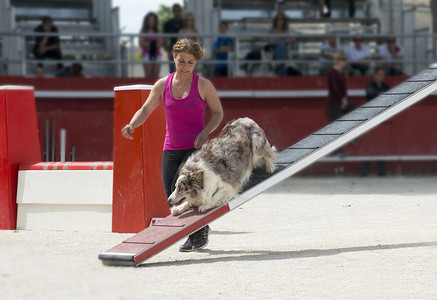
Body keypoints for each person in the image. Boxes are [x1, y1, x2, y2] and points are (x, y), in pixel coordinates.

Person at [121, 39, 224, 252]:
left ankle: (196, 233)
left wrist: (206, 132)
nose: (185, 66)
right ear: (173, 58)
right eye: (181, 61)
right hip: (171, 147)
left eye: (190, 62)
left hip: (195, 149)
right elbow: (146, 110)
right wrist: (132, 124)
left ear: (195, 63)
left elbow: (218, 113)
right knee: (172, 195)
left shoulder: (203, 85)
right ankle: (196, 232)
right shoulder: (162, 84)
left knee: (186, 188)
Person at [361, 66, 390, 176]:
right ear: (375, 74)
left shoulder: (386, 86)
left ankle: (381, 170)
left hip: (382, 117)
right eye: (379, 74)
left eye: (383, 74)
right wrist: (379, 95)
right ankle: (364, 170)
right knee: (368, 143)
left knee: (381, 143)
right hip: (370, 117)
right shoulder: (370, 85)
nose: (381, 76)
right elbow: (369, 93)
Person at [327, 51, 356, 156]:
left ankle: (350, 134)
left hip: (340, 101)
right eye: (344, 59)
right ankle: (337, 152)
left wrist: (344, 99)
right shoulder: (333, 72)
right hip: (335, 102)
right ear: (339, 61)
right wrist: (343, 100)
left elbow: (342, 89)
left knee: (354, 112)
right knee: (336, 127)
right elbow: (335, 88)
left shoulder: (340, 73)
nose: (345, 62)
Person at [267, 12, 294, 76]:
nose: (280, 21)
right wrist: (283, 41)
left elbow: (292, 39)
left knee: (281, 47)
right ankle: (283, 74)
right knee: (281, 46)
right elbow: (271, 42)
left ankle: (278, 67)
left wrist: (283, 42)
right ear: (275, 20)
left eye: (282, 19)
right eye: (278, 19)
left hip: (283, 51)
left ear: (284, 20)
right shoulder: (271, 29)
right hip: (273, 51)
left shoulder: (286, 29)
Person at [139, 12, 163, 78]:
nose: (151, 22)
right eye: (149, 20)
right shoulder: (143, 31)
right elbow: (141, 43)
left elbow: (160, 43)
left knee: (156, 75)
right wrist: (152, 44)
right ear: (146, 21)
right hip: (146, 54)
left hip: (157, 54)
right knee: (148, 75)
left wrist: (150, 44)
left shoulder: (158, 31)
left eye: (153, 20)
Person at [163, 3, 184, 73]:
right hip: (172, 49)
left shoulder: (184, 23)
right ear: (173, 12)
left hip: (184, 50)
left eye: (178, 11)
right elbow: (164, 39)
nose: (177, 13)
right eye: (175, 11)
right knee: (172, 71)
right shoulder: (168, 24)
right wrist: (168, 51)